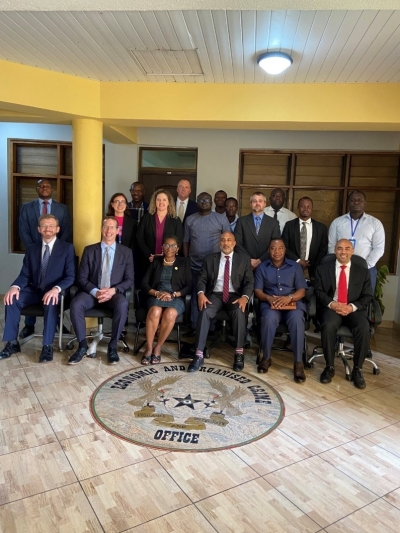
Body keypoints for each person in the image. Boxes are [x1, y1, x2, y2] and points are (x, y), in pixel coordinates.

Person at [0, 215, 75, 363]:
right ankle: (12, 343)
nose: (48, 229)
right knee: (11, 299)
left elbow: (70, 276)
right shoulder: (32, 249)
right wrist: (14, 287)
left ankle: (47, 346)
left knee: (51, 301)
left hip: (55, 292)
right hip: (34, 291)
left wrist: (56, 289)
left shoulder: (67, 248)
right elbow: (25, 274)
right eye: (44, 226)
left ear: (57, 229)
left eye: (51, 226)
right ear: (39, 229)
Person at [68, 217, 134, 365]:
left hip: (114, 294)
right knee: (76, 304)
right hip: (92, 293)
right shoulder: (89, 250)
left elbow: (129, 279)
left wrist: (113, 290)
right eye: (106, 227)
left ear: (118, 231)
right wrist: (96, 291)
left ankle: (112, 346)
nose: (108, 231)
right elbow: (82, 278)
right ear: (101, 229)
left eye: (112, 228)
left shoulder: (126, 252)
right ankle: (82, 345)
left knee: (123, 304)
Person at [188, 232, 253, 372]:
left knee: (239, 311)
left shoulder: (243, 259)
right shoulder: (210, 259)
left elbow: (249, 282)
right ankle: (198, 355)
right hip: (215, 295)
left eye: (229, 240)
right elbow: (201, 279)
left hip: (235, 295)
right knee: (205, 311)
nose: (226, 243)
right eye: (223, 240)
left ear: (234, 243)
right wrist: (201, 294)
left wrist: (245, 297)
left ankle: (239, 353)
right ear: (219, 243)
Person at [314, 239, 373, 389]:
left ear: (352, 251)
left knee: (363, 327)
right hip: (332, 308)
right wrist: (332, 304)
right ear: (335, 251)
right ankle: (329, 367)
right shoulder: (323, 269)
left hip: (353, 309)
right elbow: (318, 291)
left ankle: (357, 369)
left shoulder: (362, 271)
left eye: (347, 248)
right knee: (328, 325)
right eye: (340, 248)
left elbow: (367, 296)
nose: (343, 252)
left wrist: (351, 307)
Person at [18, 178, 72, 339]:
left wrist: (55, 249)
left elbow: (66, 231)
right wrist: (34, 250)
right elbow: (23, 230)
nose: (44, 187)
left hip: (55, 255)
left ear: (52, 189)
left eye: (47, 185)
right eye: (41, 185)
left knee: (55, 289)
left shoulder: (62, 209)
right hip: (34, 255)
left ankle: (55, 323)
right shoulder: (27, 208)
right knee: (31, 285)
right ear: (36, 189)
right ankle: (29, 325)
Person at [254, 239, 308, 383]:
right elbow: (258, 290)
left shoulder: (295, 267)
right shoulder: (262, 267)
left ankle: (298, 363)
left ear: (285, 250)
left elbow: (302, 291)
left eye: (280, 248)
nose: (277, 252)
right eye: (273, 248)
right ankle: (266, 358)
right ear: (268, 250)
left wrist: (289, 298)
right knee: (268, 319)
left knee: (297, 320)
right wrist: (269, 298)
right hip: (270, 304)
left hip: (292, 304)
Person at [183, 192, 231, 336]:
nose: (204, 202)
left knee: (212, 296)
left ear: (212, 203)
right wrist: (186, 260)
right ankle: (194, 326)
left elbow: (228, 240)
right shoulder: (190, 219)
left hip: (215, 267)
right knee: (196, 295)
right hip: (194, 265)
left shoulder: (220, 219)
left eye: (207, 200)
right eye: (201, 200)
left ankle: (210, 329)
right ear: (197, 203)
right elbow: (185, 241)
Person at [141, 235, 192, 365]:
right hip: (156, 296)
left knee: (170, 313)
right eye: (167, 245)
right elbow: (144, 283)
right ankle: (149, 347)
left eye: (173, 246)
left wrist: (174, 295)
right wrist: (157, 292)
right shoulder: (156, 262)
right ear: (162, 247)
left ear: (178, 249)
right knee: (155, 311)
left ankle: (158, 347)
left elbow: (189, 285)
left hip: (175, 297)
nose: (170, 248)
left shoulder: (184, 263)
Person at [328, 191, 384, 290]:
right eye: (352, 200)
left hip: (367, 269)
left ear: (365, 203)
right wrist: (341, 264)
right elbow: (331, 246)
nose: (356, 203)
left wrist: (365, 266)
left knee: (365, 300)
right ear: (348, 203)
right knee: (341, 298)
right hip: (341, 268)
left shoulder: (375, 223)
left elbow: (378, 248)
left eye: (359, 200)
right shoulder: (337, 222)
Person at [282, 196, 328, 280]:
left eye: (308, 206)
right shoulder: (289, 225)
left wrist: (311, 264)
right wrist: (298, 260)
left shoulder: (321, 228)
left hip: (313, 270)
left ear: (312, 208)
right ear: (298, 208)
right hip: (292, 267)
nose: (305, 209)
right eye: (302, 206)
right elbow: (284, 247)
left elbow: (323, 250)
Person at [137, 189, 183, 270]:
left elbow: (179, 240)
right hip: (148, 260)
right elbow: (139, 238)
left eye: (164, 200)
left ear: (169, 202)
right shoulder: (146, 218)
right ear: (154, 201)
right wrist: (149, 255)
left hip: (169, 261)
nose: (161, 202)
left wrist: (168, 255)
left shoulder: (176, 220)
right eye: (158, 199)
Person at [234, 192, 281, 271]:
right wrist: (249, 260)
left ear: (265, 204)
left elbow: (275, 245)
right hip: (245, 265)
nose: (257, 203)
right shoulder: (241, 221)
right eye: (254, 201)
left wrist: (260, 260)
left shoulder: (274, 223)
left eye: (260, 201)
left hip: (267, 265)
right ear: (250, 204)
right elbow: (237, 244)